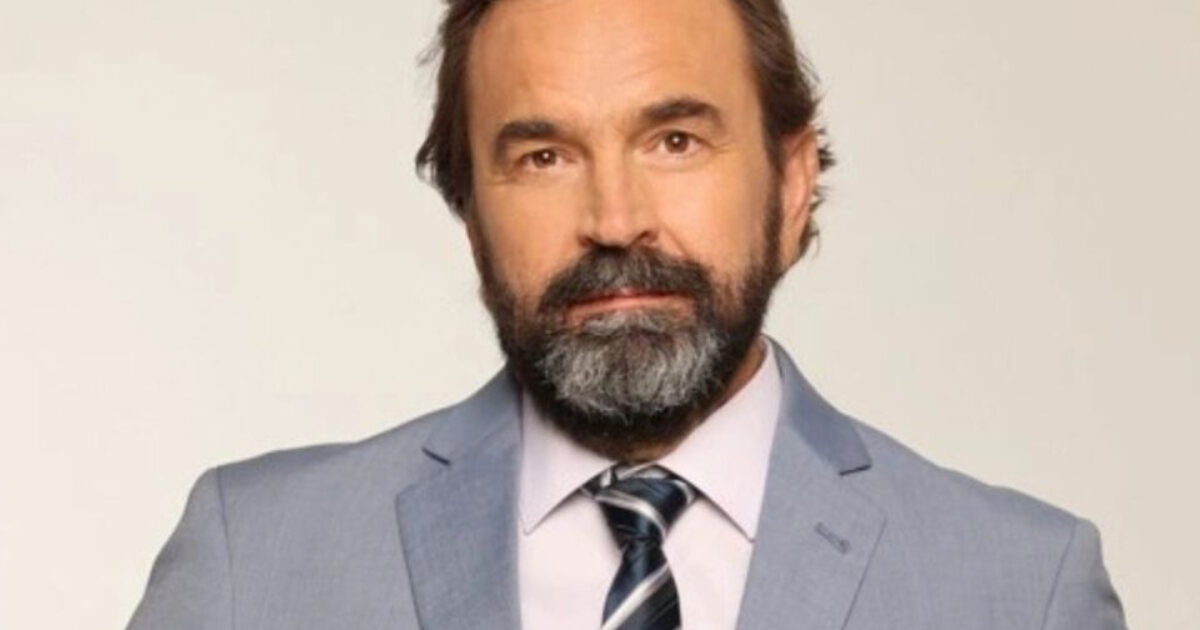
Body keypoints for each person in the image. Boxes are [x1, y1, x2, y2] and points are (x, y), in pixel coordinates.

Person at [127, 0, 1128, 628]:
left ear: (791, 183)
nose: (614, 220)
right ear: (471, 214)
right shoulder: (257, 560)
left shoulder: (1021, 589)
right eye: (543, 157)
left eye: (676, 141)